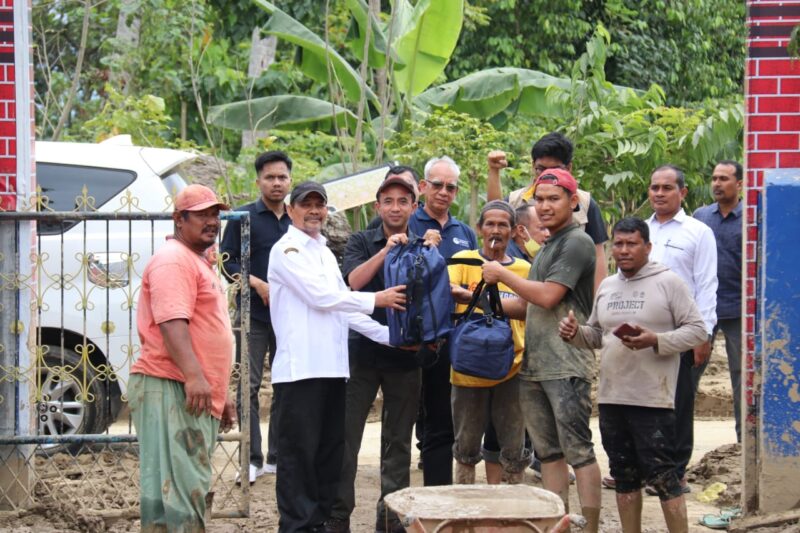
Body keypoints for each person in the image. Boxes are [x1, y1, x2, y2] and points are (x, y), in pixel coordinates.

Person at [267, 181, 407, 533]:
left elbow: (343, 307)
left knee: (329, 453)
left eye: (320, 205)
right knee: (299, 456)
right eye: (306, 205)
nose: (314, 211)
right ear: (291, 209)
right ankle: (298, 526)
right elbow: (321, 297)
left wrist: (393, 338)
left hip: (333, 369)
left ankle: (320, 524)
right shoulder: (286, 251)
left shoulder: (325, 252)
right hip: (300, 371)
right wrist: (377, 300)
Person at [559, 217, 707, 533]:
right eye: (619, 244)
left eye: (632, 244)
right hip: (613, 397)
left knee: (664, 477)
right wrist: (575, 333)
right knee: (623, 476)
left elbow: (697, 331)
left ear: (648, 247)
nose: (624, 250)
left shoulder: (669, 282)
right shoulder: (608, 286)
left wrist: (656, 340)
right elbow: (599, 335)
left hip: (654, 398)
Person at [482, 169, 601, 533]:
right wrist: (484, 303)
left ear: (573, 202)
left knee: (579, 453)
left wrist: (501, 276)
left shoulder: (576, 243)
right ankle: (559, 525)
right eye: (540, 199)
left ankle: (590, 527)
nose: (545, 206)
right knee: (549, 454)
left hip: (566, 364)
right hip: (536, 366)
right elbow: (531, 305)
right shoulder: (549, 245)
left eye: (554, 198)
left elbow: (548, 296)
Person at [328, 176, 440, 533]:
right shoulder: (361, 240)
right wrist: (386, 250)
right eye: (387, 201)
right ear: (377, 207)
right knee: (346, 441)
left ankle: (390, 523)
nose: (395, 207)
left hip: (405, 359)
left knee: (398, 444)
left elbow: (434, 299)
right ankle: (337, 518)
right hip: (360, 356)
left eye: (402, 201)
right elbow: (355, 283)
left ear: (413, 207)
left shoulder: (425, 244)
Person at [129, 184, 236, 532]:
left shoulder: (195, 260)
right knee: (179, 490)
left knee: (181, 487)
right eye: (202, 214)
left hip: (188, 387)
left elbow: (206, 333)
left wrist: (221, 393)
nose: (212, 221)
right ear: (179, 219)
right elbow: (172, 322)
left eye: (215, 214)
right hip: (172, 385)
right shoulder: (174, 260)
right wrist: (194, 377)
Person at [220, 150, 292, 484]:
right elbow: (226, 261)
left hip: (291, 317)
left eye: (281, 177)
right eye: (270, 177)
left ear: (289, 179)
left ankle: (278, 457)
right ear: (258, 180)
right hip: (253, 314)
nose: (276, 183)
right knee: (247, 386)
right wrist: (255, 282)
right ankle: (251, 458)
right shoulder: (242, 217)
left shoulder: (297, 218)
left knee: (286, 383)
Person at [645, 165, 717, 492]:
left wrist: (703, 334)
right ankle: (647, 468)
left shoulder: (698, 232)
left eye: (667, 188)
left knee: (679, 403)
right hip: (641, 335)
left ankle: (674, 473)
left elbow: (706, 285)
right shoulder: (641, 231)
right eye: (655, 187)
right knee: (643, 403)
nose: (659, 193)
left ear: (683, 193)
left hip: (682, 334)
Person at [448, 200, 531, 486]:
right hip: (467, 369)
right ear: (479, 228)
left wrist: (472, 298)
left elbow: (527, 308)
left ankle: (511, 514)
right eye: (490, 224)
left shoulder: (523, 269)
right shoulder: (462, 259)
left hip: (513, 367)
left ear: (513, 231)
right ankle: (466, 513)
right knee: (466, 447)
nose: (496, 230)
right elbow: (449, 291)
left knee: (514, 446)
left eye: (503, 224)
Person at [408, 156, 478, 486]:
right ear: (423, 187)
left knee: (440, 419)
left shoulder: (464, 232)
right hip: (412, 333)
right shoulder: (409, 224)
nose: (444, 192)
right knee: (403, 414)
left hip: (452, 334)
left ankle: (436, 496)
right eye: (437, 185)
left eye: (451, 187)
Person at [486, 132, 609, 289]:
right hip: (519, 287)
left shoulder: (585, 203)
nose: (547, 175)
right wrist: (494, 171)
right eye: (540, 169)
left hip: (570, 290)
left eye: (556, 169)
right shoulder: (516, 200)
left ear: (569, 168)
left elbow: (598, 260)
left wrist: (597, 304)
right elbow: (494, 214)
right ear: (533, 166)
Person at [693, 161, 743, 442]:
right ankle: (677, 451)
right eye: (714, 178)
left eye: (724, 179)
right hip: (703, 310)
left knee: (741, 377)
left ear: (739, 184)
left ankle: (742, 444)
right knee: (689, 376)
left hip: (738, 310)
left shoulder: (751, 216)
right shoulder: (700, 217)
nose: (717, 184)